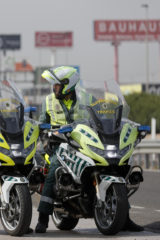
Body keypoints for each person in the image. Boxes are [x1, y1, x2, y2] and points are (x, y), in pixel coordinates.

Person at [35, 66, 143, 233]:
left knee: (114, 168)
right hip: (60, 144)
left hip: (84, 142)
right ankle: (42, 219)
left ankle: (125, 218)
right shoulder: (48, 101)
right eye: (54, 85)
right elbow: (41, 125)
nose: (54, 88)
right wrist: (46, 136)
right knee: (53, 170)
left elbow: (101, 115)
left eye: (57, 85)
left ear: (67, 85)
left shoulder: (87, 98)